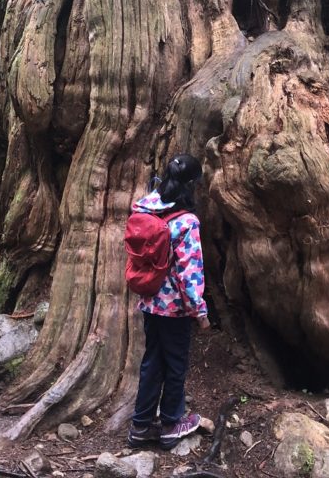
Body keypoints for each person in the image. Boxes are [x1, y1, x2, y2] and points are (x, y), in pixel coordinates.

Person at [127, 154, 210, 449]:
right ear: (192, 185)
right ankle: (173, 424)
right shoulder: (187, 222)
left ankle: (141, 425)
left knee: (151, 362)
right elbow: (190, 273)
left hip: (149, 302)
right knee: (175, 365)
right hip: (175, 309)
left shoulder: (147, 207)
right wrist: (200, 312)